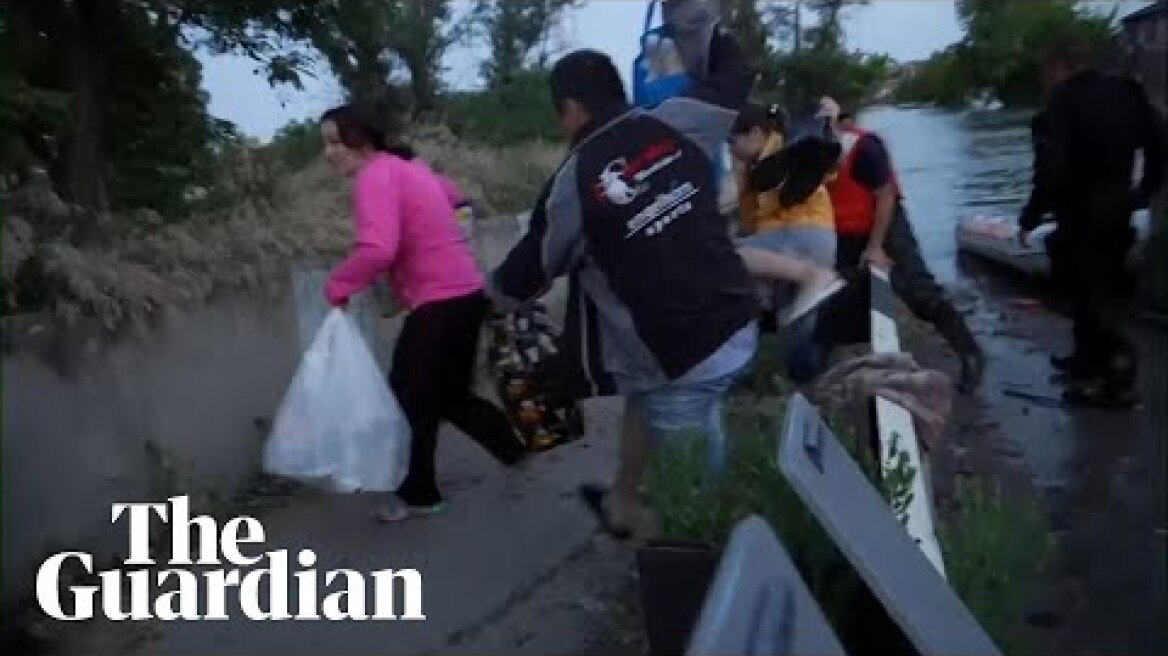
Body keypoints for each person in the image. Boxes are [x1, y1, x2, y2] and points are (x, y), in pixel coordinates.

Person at [489, 0, 764, 538]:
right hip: (739, 320)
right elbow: (733, 74)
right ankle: (621, 503)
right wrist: (692, 15)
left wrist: (487, 299)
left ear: (569, 110)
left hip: (683, 357)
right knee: (643, 389)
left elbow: (522, 278)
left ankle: (714, 585)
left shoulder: (571, 184)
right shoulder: (679, 119)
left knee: (701, 510)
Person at [320, 105, 527, 520]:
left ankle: (419, 494)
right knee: (448, 394)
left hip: (438, 301)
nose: (328, 153)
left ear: (360, 143)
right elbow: (458, 201)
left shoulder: (373, 177)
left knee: (408, 399)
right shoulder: (408, 167)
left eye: (334, 142)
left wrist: (338, 285)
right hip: (467, 293)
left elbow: (379, 249)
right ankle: (514, 450)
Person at [1018, 38, 1166, 408]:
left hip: (1080, 208)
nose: (1045, 82)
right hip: (1119, 204)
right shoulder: (1128, 93)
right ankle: (1086, 361)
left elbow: (1051, 168)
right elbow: (1160, 141)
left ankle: (1116, 380)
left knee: (1089, 293)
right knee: (1102, 288)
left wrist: (1031, 216)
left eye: (1046, 74)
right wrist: (1144, 191)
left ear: (1061, 66)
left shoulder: (1063, 101)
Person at [820, 97, 987, 393]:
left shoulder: (865, 148)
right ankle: (834, 362)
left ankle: (969, 353)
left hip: (884, 220)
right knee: (836, 295)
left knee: (919, 291)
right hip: (843, 228)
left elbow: (885, 195)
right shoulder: (805, 154)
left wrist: (875, 246)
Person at [729, 101, 843, 380]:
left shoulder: (784, 150)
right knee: (793, 321)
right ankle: (807, 381)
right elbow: (747, 218)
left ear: (756, 133)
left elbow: (829, 162)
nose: (730, 149)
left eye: (732, 142)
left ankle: (815, 279)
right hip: (806, 240)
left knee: (722, 256)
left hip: (798, 237)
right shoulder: (756, 164)